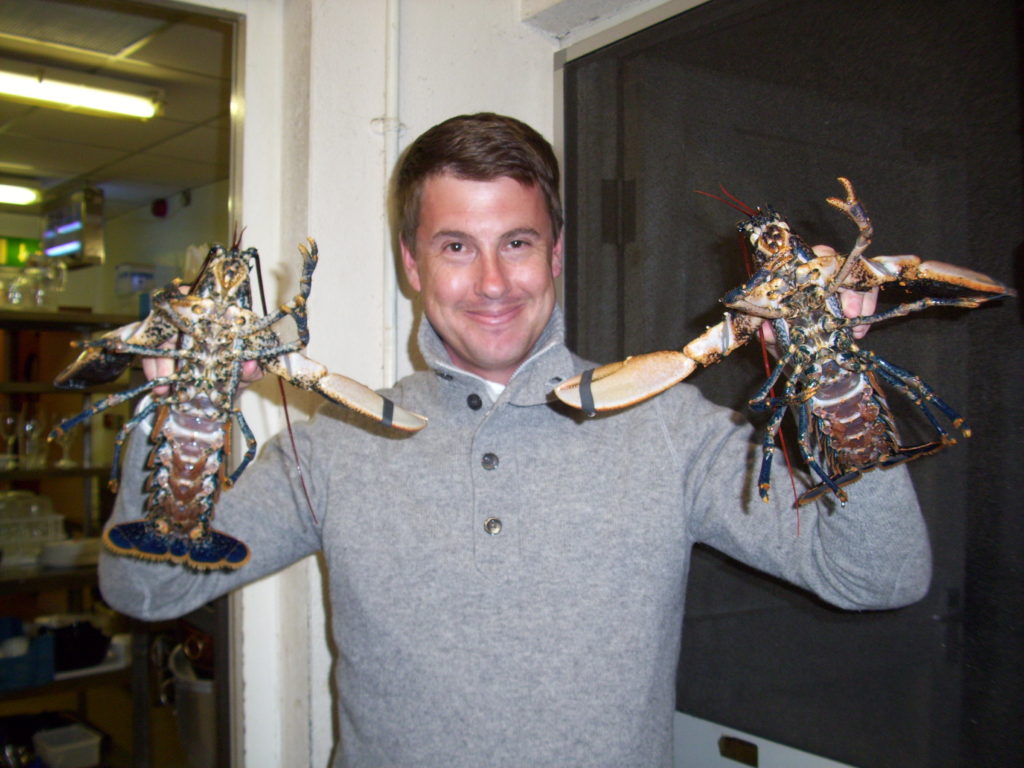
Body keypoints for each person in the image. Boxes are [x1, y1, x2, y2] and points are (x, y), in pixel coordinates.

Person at [99, 113, 931, 768]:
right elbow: (146, 594)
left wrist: (831, 385)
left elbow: (878, 574)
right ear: (412, 264)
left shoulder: (669, 429)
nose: (492, 283)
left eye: (518, 243)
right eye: (455, 246)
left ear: (557, 253)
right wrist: (176, 407)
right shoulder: (334, 445)